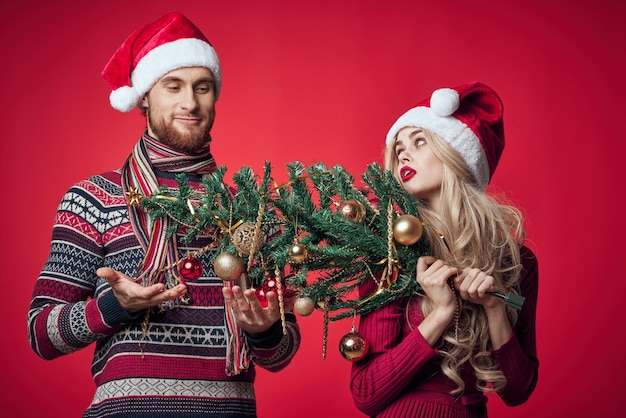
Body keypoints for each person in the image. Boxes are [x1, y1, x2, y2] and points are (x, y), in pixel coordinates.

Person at [27, 12, 300, 418]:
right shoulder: (95, 197)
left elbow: (282, 352)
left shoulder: (251, 208)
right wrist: (115, 305)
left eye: (202, 88)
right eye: (173, 87)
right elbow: (42, 333)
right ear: (143, 96)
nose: (190, 102)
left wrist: (263, 329)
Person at [350, 82, 538, 417]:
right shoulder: (389, 251)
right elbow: (366, 393)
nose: (403, 155)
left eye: (419, 141)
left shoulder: (516, 262)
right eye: (398, 150)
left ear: (456, 151)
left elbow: (519, 390)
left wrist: (495, 310)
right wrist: (439, 314)